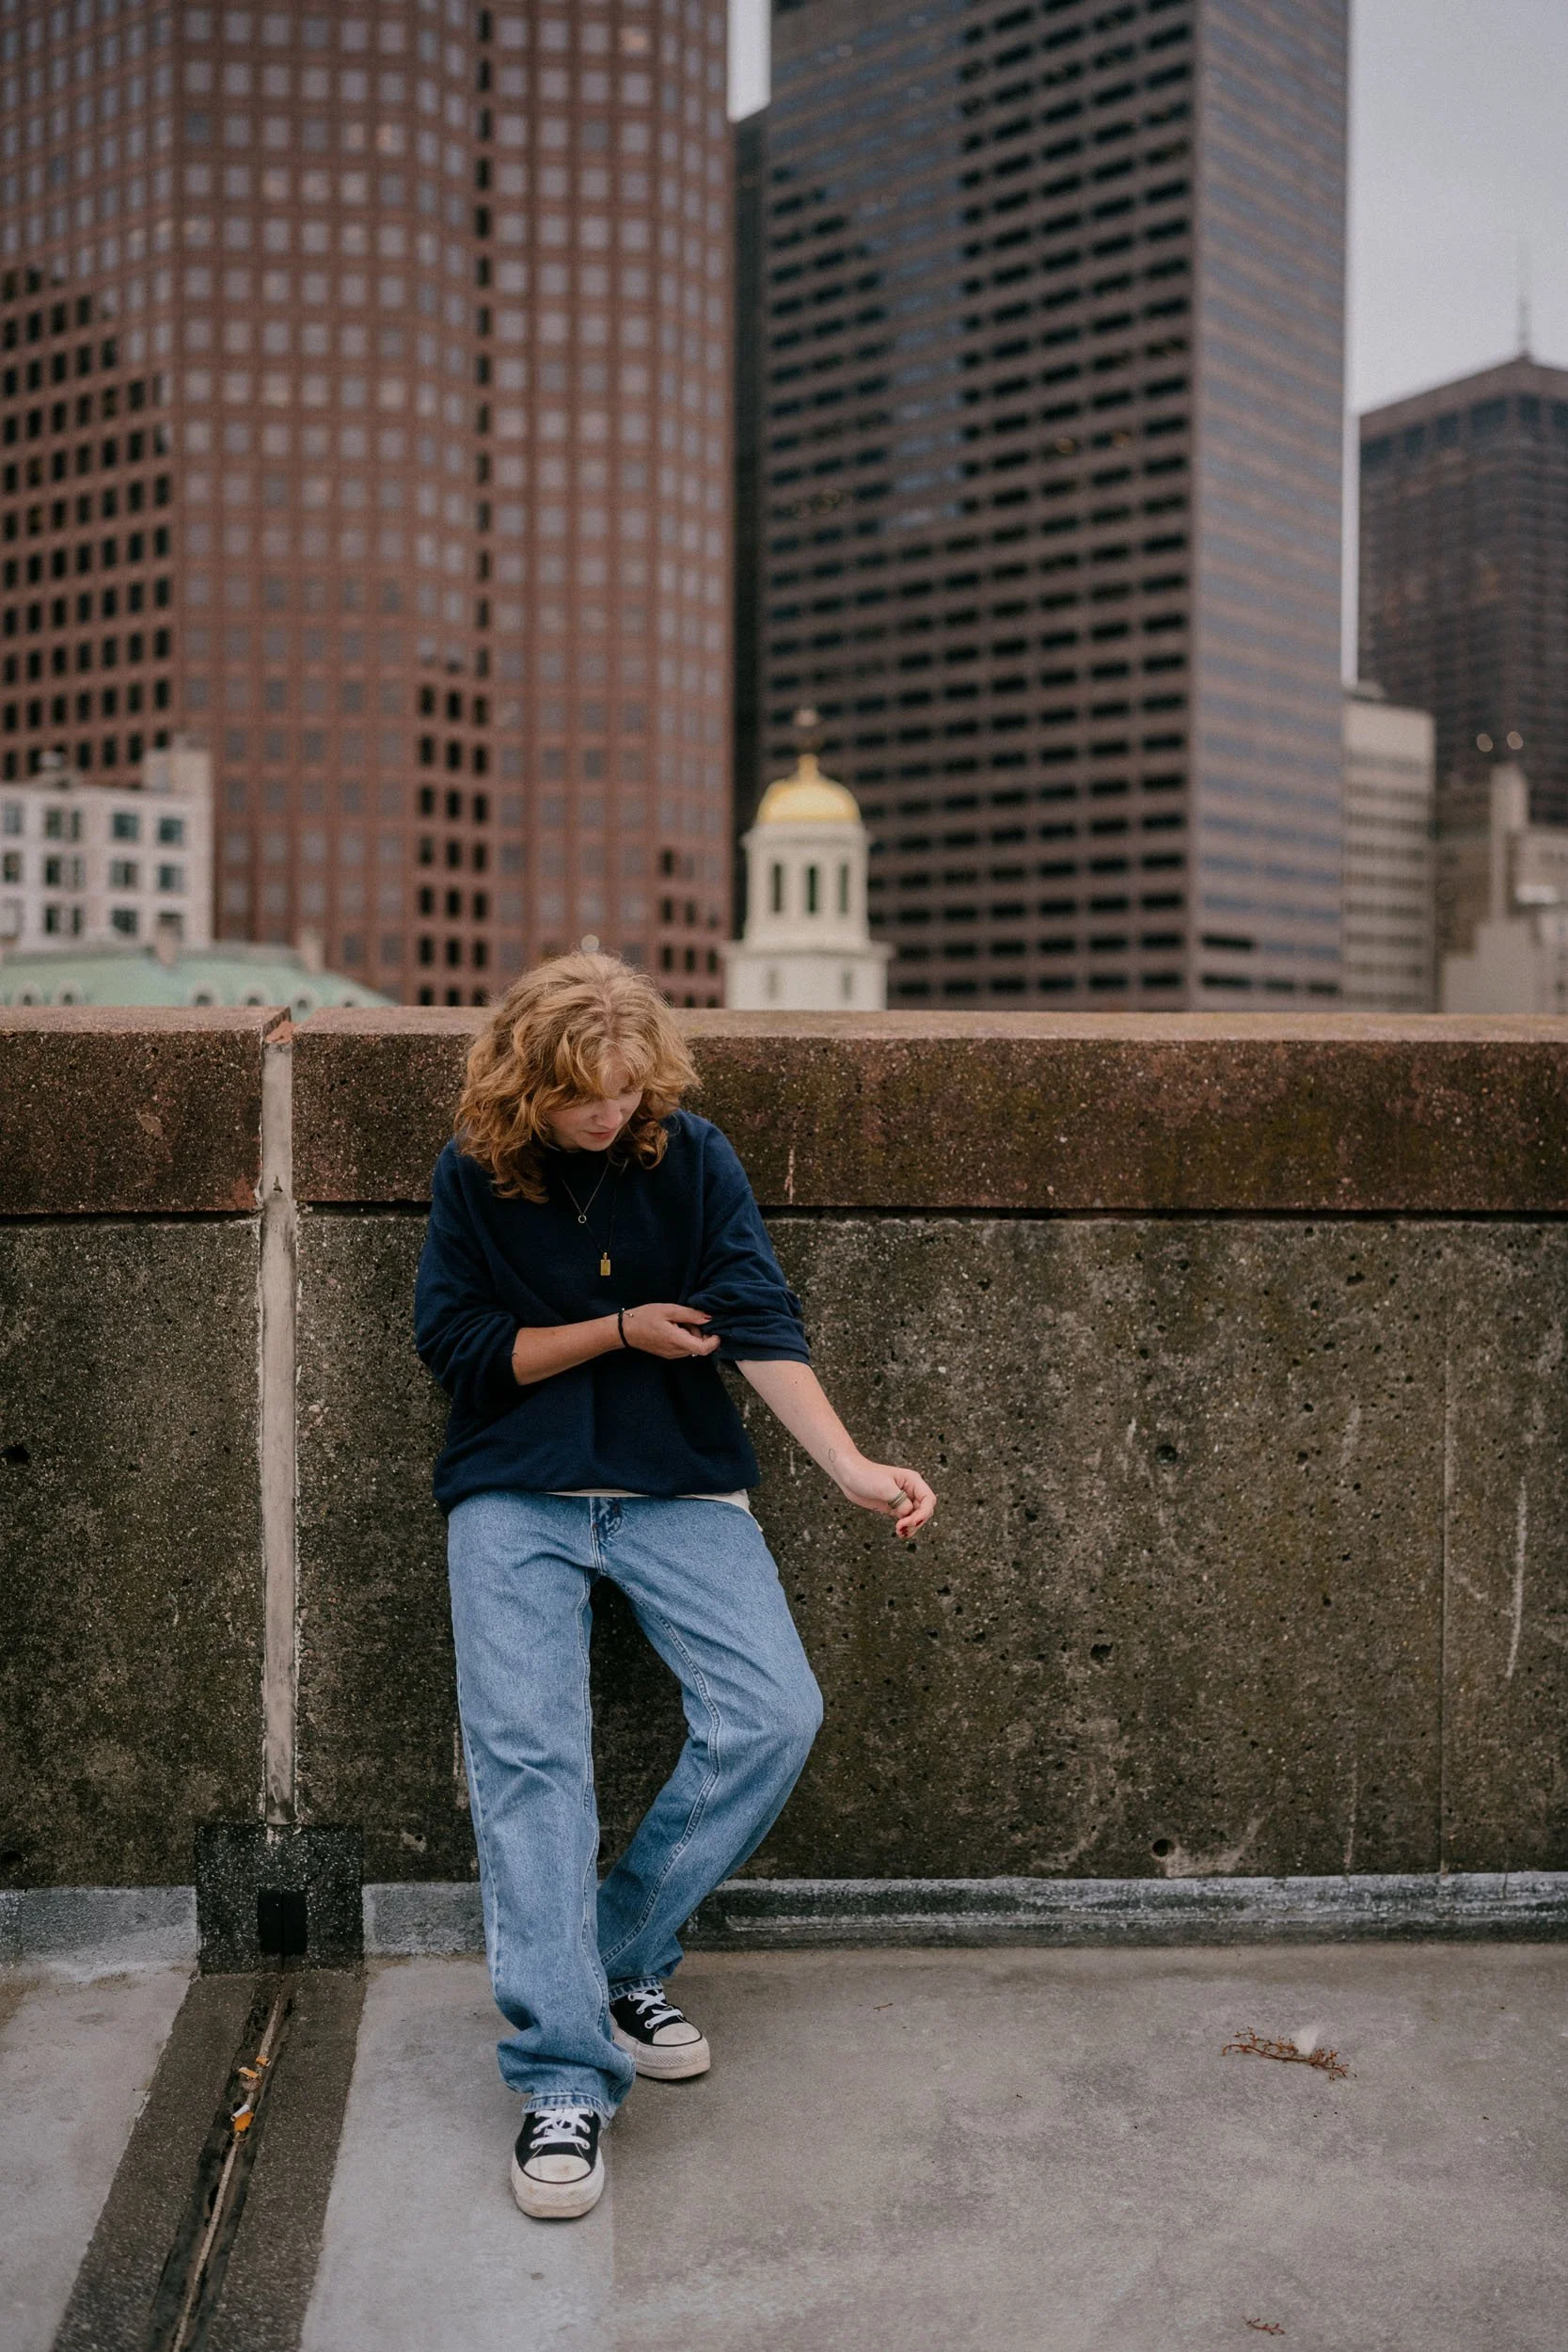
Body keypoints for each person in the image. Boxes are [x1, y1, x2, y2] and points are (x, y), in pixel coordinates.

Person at [413, 951, 936, 2221]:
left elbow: (757, 1318)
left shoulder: (690, 1155)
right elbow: (457, 1345)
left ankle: (615, 1955)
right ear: (525, 1085)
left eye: (625, 1090)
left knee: (771, 1713)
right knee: (531, 1757)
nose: (607, 1115)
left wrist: (853, 1467)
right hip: (515, 1489)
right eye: (582, 1097)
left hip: (676, 1486)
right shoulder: (476, 1174)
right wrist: (619, 1329)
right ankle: (561, 2078)